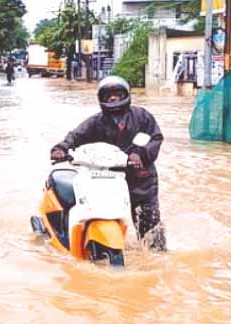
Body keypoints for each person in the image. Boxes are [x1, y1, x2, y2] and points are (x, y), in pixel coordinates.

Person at [50, 76, 167, 251]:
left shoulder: (142, 116)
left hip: (141, 181)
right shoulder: (96, 122)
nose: (113, 99)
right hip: (109, 179)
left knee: (151, 235)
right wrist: (61, 148)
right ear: (102, 99)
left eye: (117, 94)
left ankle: (157, 258)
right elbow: (75, 136)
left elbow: (155, 137)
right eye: (108, 95)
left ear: (125, 95)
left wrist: (141, 155)